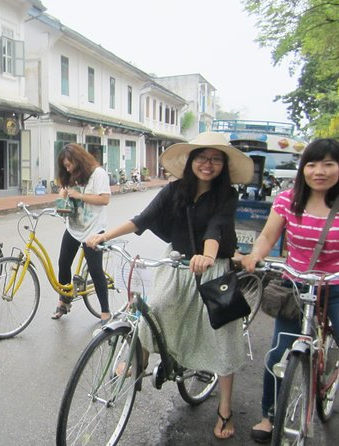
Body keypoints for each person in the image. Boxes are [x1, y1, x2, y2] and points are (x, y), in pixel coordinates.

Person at [87, 131, 255, 439]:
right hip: (177, 263)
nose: (208, 164)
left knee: (221, 336)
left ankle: (225, 409)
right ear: (191, 160)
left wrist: (207, 255)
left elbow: (217, 227)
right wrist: (104, 236)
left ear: (223, 165)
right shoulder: (174, 189)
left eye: (216, 159)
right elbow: (143, 218)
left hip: (213, 268)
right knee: (157, 307)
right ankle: (142, 355)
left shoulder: (226, 195)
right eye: (203, 157)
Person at [242, 138, 339, 444]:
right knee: (276, 355)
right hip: (294, 284)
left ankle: (329, 375)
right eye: (311, 164)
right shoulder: (287, 199)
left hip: (336, 285)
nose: (319, 171)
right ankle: (269, 416)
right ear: (303, 168)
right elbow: (269, 236)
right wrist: (255, 254)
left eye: (328, 164)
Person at [52, 143, 112, 324]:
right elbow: (67, 192)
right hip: (74, 227)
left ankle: (105, 312)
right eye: (65, 166)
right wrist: (62, 195)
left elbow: (104, 199)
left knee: (95, 270)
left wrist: (80, 196)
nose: (67, 168)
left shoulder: (98, 173)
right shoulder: (72, 175)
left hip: (93, 230)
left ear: (78, 160)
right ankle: (64, 301)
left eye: (69, 165)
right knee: (63, 263)